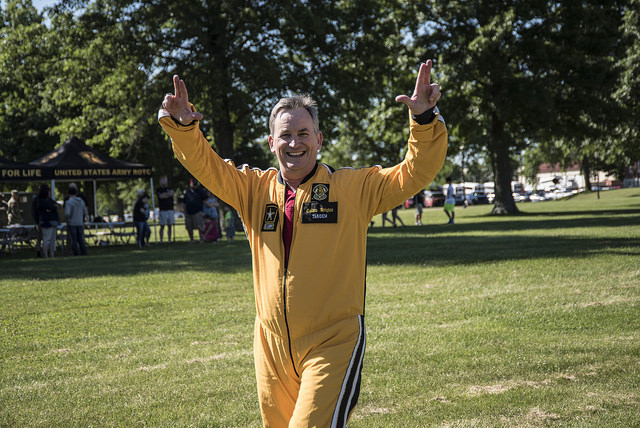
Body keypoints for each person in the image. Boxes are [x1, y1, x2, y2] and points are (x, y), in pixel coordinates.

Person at [159, 59, 447, 427]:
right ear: (271, 143)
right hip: (271, 346)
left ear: (319, 140)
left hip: (333, 341)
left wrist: (423, 121)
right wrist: (185, 129)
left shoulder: (353, 189)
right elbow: (205, 164)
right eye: (285, 135)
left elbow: (415, 171)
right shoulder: (252, 189)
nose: (295, 143)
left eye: (304, 133)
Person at [35, 184, 59, 258]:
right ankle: (46, 255)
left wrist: (52, 208)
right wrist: (52, 208)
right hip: (46, 223)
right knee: (46, 240)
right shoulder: (41, 201)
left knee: (52, 241)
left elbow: (56, 206)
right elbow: (52, 207)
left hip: (53, 222)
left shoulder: (50, 200)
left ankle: (52, 255)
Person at [64, 186, 88, 255]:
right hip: (80, 222)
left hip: (72, 223)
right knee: (81, 239)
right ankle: (84, 251)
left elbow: (67, 213)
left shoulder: (69, 202)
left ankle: (75, 252)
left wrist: (67, 220)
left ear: (68, 193)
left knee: (73, 239)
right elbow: (85, 211)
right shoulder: (81, 201)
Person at [182, 179, 207, 243]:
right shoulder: (187, 192)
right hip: (189, 212)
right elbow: (184, 203)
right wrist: (184, 212)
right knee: (189, 227)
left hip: (198, 212)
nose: (194, 186)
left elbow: (205, 200)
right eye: (193, 184)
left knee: (199, 226)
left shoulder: (200, 191)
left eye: (195, 184)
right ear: (190, 184)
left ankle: (201, 239)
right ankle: (192, 239)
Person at [155, 176, 175, 243]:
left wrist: (166, 194)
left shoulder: (170, 188)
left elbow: (172, 194)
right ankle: (161, 240)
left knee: (170, 226)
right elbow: (161, 196)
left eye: (165, 180)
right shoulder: (158, 190)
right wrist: (167, 194)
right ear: (160, 181)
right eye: (163, 180)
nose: (164, 181)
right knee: (162, 226)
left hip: (170, 209)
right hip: (163, 210)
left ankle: (169, 240)